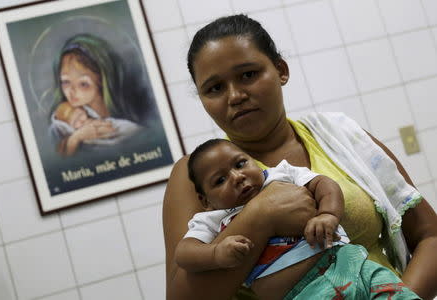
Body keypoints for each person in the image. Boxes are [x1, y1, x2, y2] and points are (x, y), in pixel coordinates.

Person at [163, 14, 437, 300]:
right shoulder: (198, 175)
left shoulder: (340, 135)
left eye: (248, 75)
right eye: (215, 88)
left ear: (281, 70)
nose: (235, 96)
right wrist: (262, 215)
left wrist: (400, 295)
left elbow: (430, 236)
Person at [175, 138, 420, 299]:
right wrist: (216, 254)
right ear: (205, 200)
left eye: (241, 164)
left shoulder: (281, 174)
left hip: (350, 263)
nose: (237, 177)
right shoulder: (212, 219)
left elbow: (324, 184)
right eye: (220, 180)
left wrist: (327, 214)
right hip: (302, 294)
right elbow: (184, 253)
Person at [49, 34, 145, 155]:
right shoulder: (62, 121)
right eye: (66, 82)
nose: (71, 91)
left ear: (101, 81)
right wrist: (76, 137)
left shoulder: (125, 121)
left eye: (83, 84)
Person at [52, 101, 141, 155]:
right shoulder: (76, 133)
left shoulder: (92, 120)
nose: (81, 120)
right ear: (70, 126)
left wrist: (102, 127)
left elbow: (108, 126)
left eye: (80, 115)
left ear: (84, 110)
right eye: (75, 122)